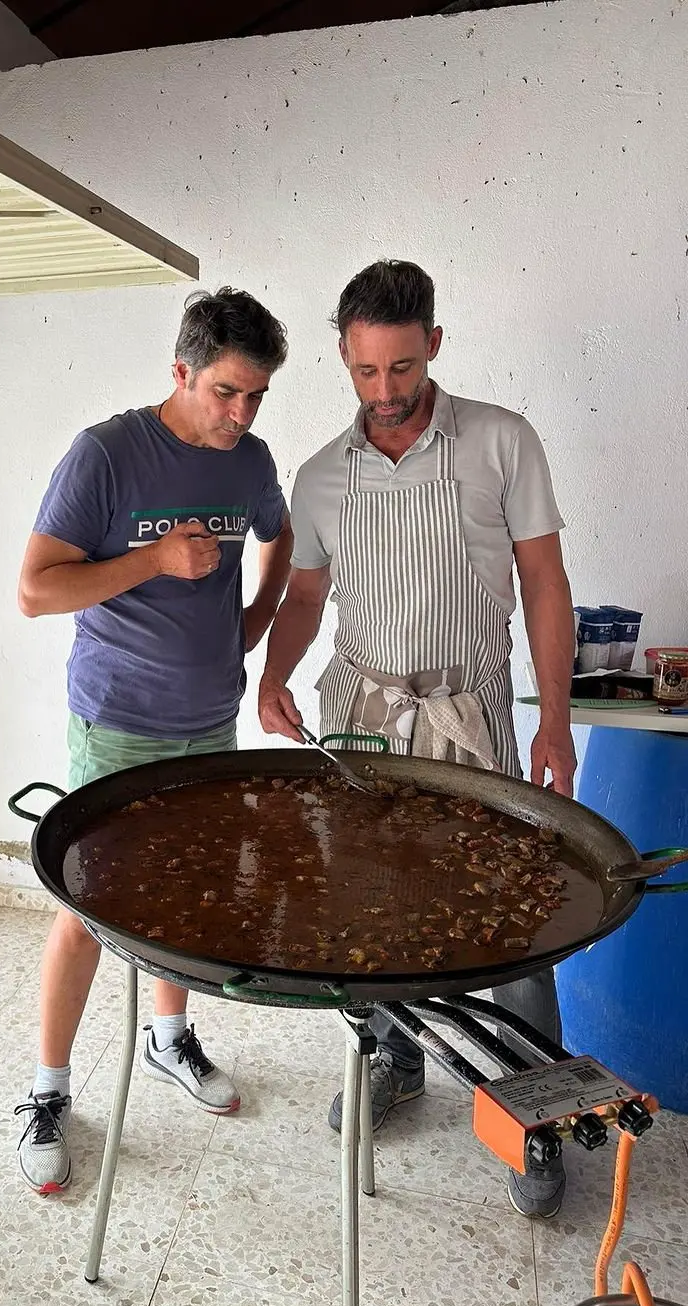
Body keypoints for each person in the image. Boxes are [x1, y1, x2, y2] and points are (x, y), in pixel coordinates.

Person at [258, 260, 576, 1219]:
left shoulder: (500, 443)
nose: (386, 392)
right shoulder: (320, 476)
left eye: (402, 367)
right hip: (362, 715)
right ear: (344, 360)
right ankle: (393, 1057)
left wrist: (553, 714)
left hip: (470, 710)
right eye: (366, 372)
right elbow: (305, 595)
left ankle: (537, 1117)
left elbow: (544, 582)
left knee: (507, 915)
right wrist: (273, 675)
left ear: (433, 344)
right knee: (366, 906)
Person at [15, 287, 294, 1194]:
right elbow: (34, 590)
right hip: (119, 724)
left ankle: (170, 1038)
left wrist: (253, 617)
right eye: (224, 392)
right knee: (89, 909)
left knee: (189, 892)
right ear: (181, 371)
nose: (241, 414)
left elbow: (279, 534)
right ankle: (49, 1090)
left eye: (255, 396)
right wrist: (153, 560)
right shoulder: (105, 454)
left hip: (210, 717)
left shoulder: (248, 458)